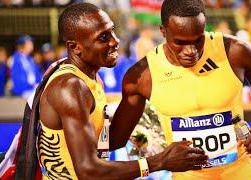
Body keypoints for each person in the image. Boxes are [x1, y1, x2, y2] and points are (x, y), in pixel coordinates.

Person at [110, 0, 251, 179]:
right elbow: (116, 140)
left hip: (239, 172)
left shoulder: (235, 52)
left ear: (204, 26)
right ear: (163, 31)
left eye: (198, 40)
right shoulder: (142, 76)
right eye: (180, 42)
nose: (191, 51)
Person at [36, 2, 208, 180]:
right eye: (103, 37)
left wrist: (147, 130)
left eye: (112, 31)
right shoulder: (70, 87)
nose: (115, 41)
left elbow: (109, 142)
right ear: (75, 47)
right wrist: (159, 162)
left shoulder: (90, 78)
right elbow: (88, 171)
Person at [10, 34, 42, 99]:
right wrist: (33, 86)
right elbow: (18, 82)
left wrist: (40, 84)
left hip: (33, 89)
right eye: (29, 43)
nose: (32, 44)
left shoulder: (30, 59)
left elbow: (38, 75)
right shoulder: (15, 59)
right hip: (23, 92)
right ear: (23, 45)